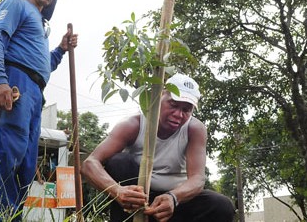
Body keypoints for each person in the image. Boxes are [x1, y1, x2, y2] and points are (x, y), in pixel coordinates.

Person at [0, 0, 78, 220]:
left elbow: (42, 67)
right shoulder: (17, 4)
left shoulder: (40, 23)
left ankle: (12, 217)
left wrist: (61, 49)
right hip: (15, 83)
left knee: (24, 163)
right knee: (6, 153)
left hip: (34, 89)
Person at [81, 74, 235, 222]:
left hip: (173, 203)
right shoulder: (133, 125)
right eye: (173, 104)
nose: (178, 114)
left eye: (186, 110)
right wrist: (118, 191)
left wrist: (173, 198)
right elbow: (89, 164)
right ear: (160, 96)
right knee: (119, 162)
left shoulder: (194, 129)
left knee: (221, 206)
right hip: (135, 203)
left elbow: (198, 178)